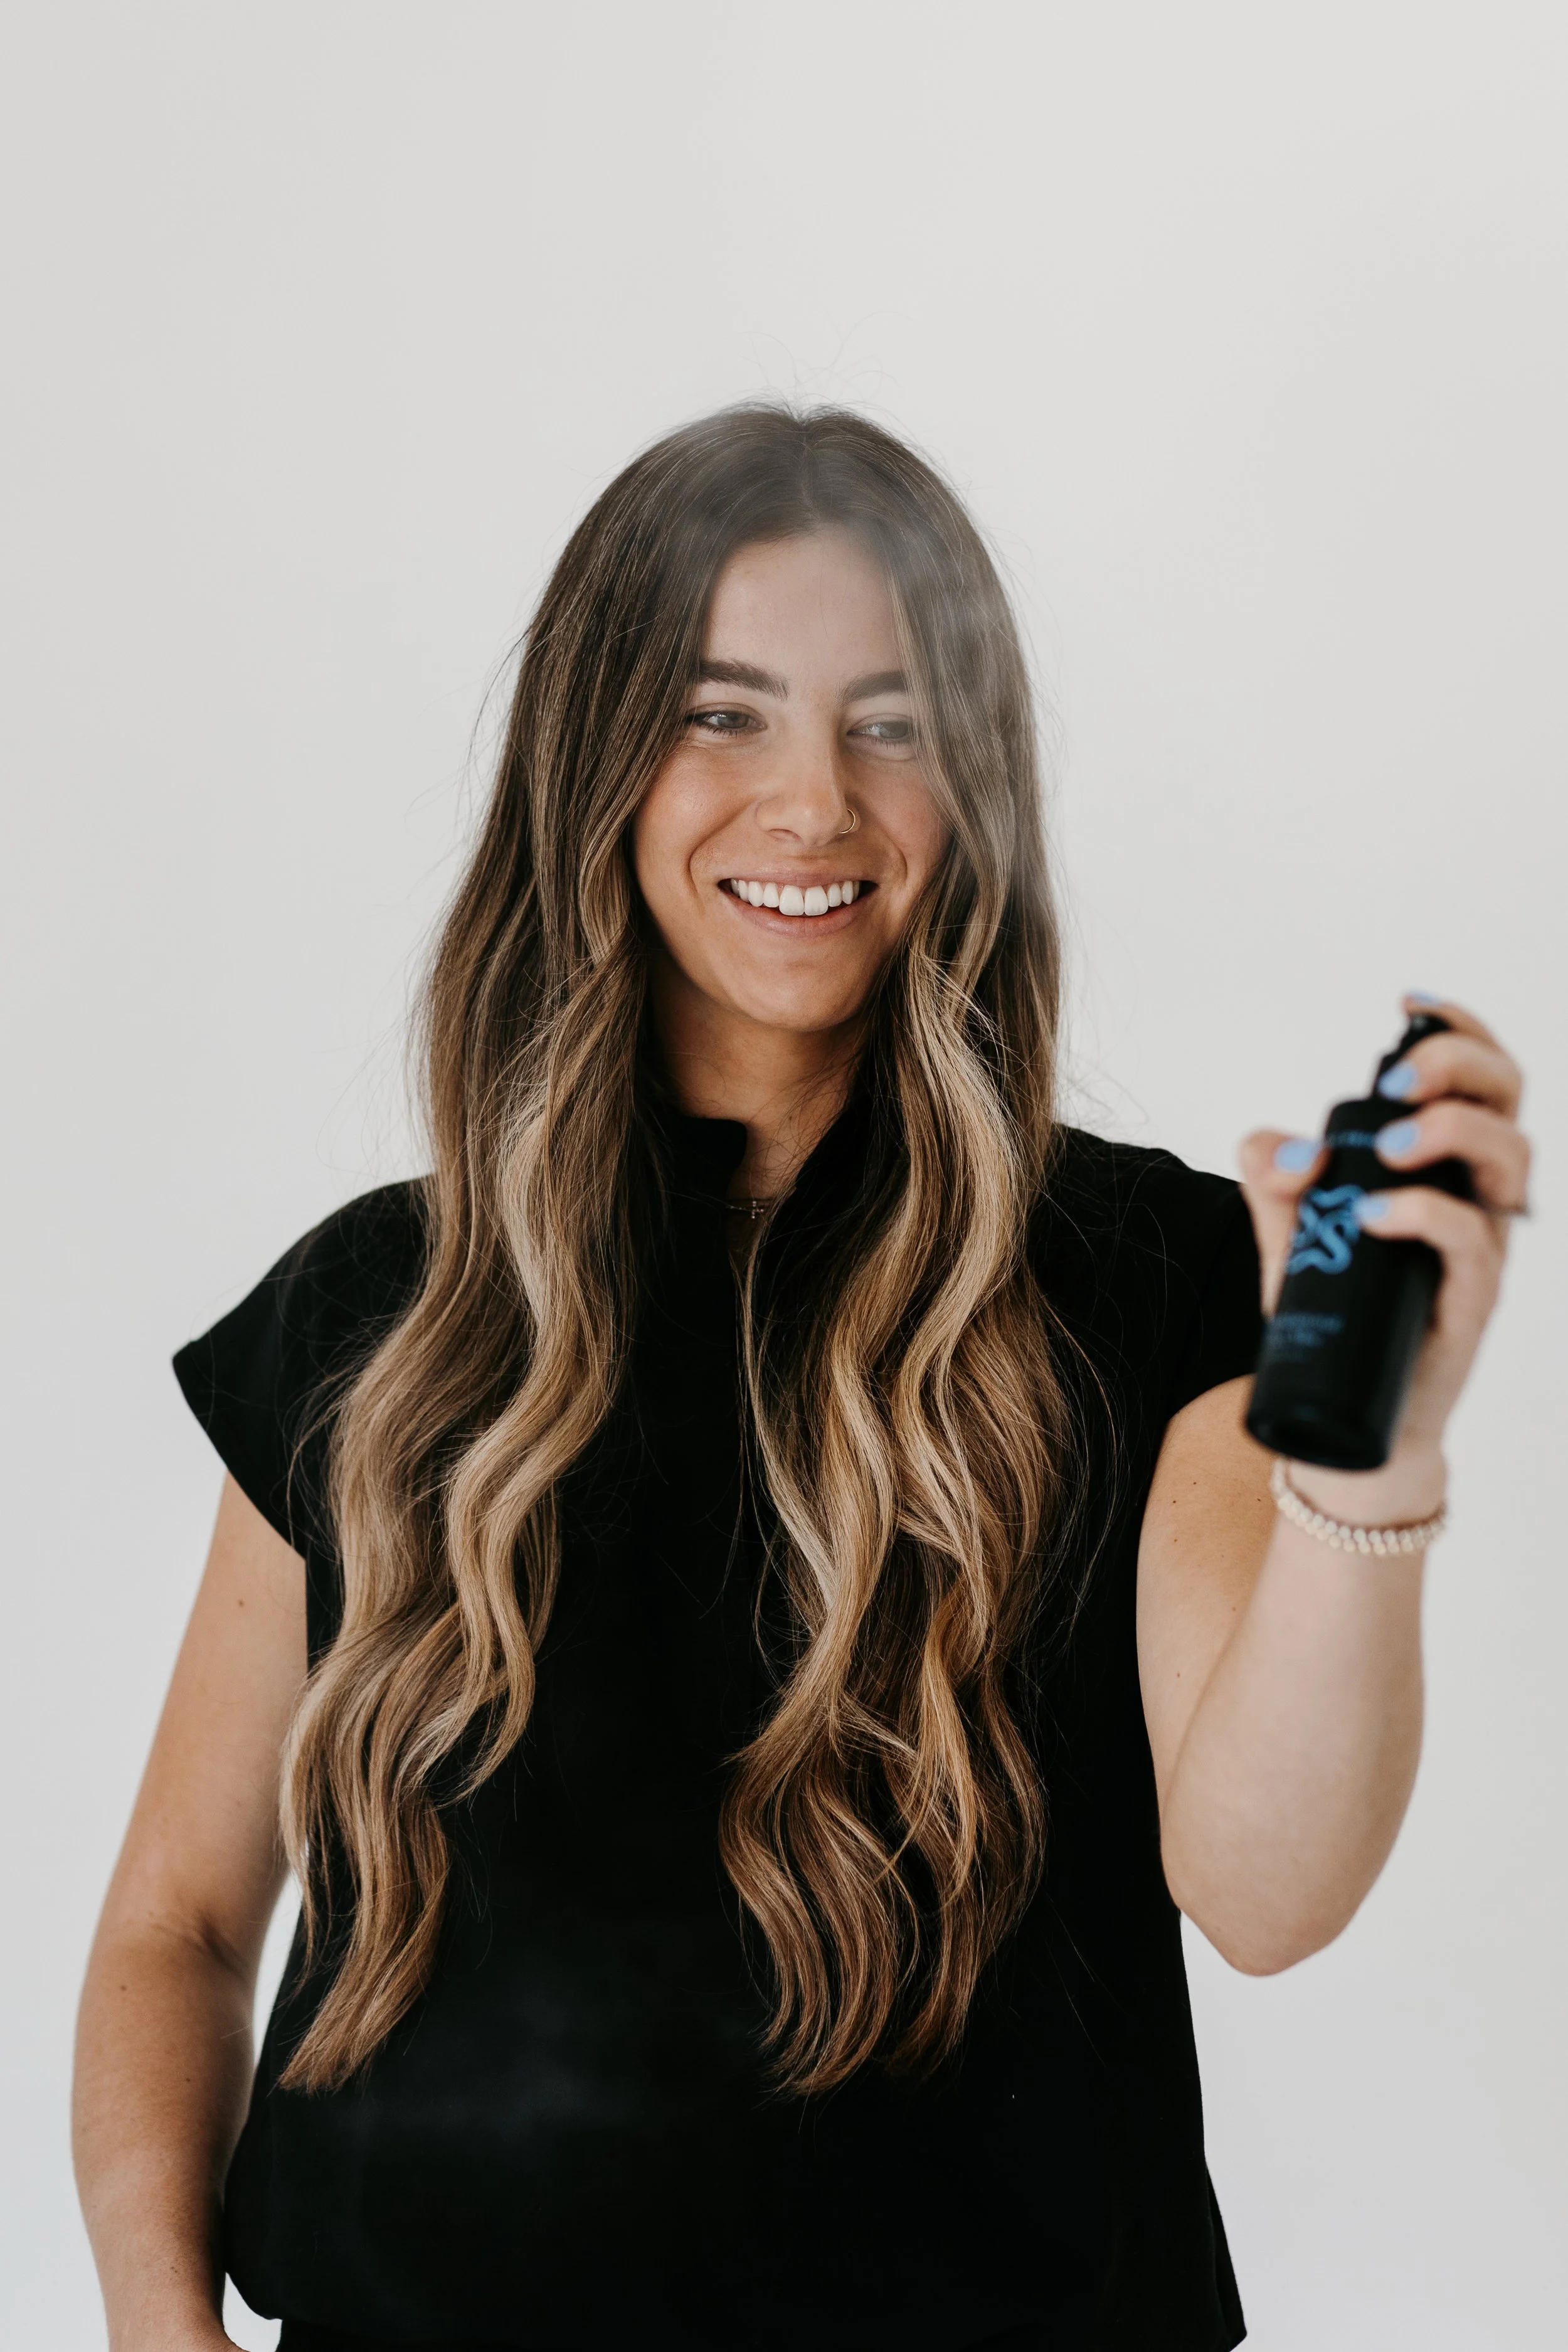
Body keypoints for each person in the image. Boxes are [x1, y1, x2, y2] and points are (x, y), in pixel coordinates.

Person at [72, 405, 1530, 2352]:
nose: (815, 802)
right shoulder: (381, 1312)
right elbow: (177, 1921)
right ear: (591, 763)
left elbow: (1263, 1890)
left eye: (894, 721)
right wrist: (158, 2326)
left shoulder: (1145, 1283)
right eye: (722, 711)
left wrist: (1374, 1463)